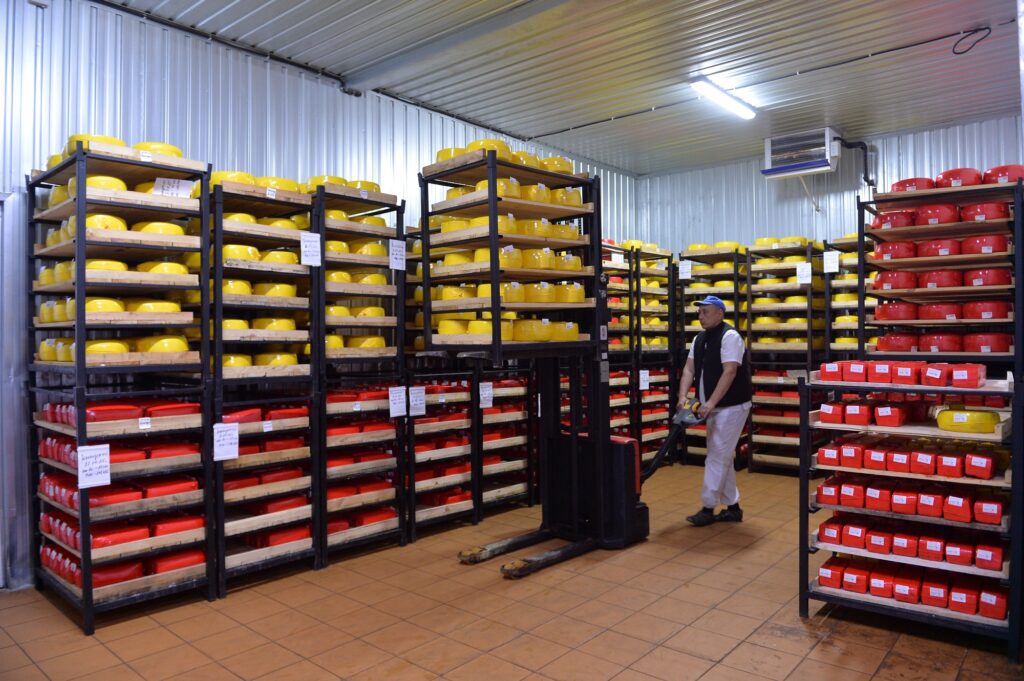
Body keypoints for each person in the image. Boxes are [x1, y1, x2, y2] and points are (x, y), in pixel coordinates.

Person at [677, 295, 752, 527]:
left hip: (732, 406)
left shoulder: (730, 337)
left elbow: (730, 371)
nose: (700, 317)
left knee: (716, 456)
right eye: (699, 313)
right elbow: (689, 369)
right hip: (711, 407)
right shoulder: (699, 339)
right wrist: (682, 396)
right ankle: (733, 507)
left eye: (705, 312)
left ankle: (708, 508)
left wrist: (710, 402)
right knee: (722, 454)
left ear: (720, 313)